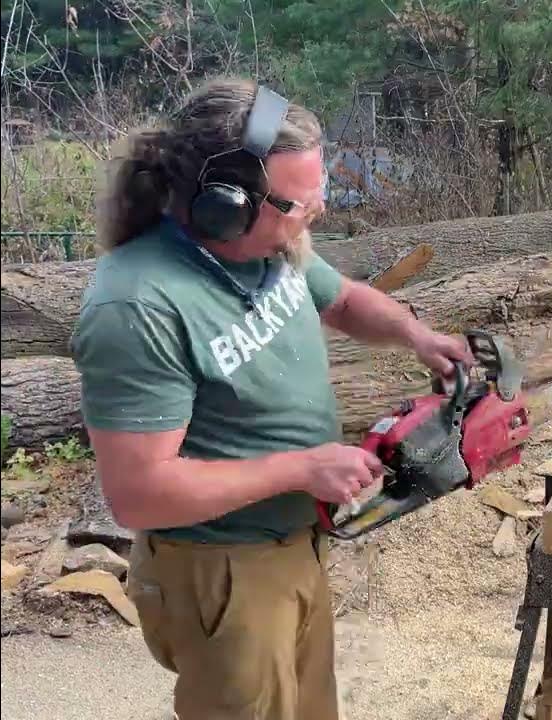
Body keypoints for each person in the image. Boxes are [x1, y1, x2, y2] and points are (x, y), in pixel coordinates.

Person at [69, 77, 473, 720]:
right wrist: (302, 468)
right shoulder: (139, 304)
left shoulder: (271, 244)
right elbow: (138, 493)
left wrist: (414, 333)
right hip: (220, 570)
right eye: (296, 204)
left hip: (294, 545)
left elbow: (339, 297)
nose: (311, 216)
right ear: (220, 204)